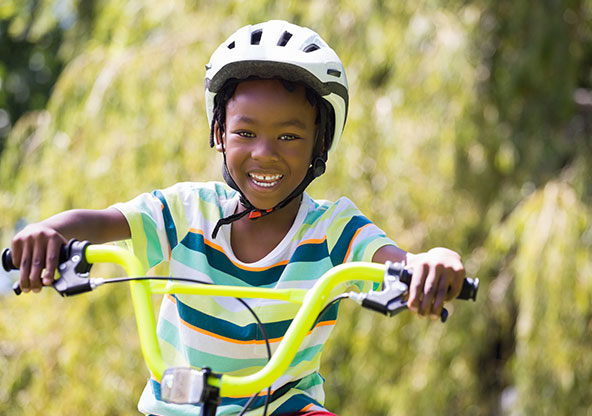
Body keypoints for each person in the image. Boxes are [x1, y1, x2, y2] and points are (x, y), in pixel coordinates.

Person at [9, 20, 465, 416]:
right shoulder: (187, 211)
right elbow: (102, 221)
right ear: (219, 134)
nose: (263, 154)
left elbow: (397, 261)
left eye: (289, 135)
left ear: (318, 146)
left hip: (287, 406)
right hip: (179, 405)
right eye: (245, 132)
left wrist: (433, 264)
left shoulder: (333, 230)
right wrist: (48, 232)